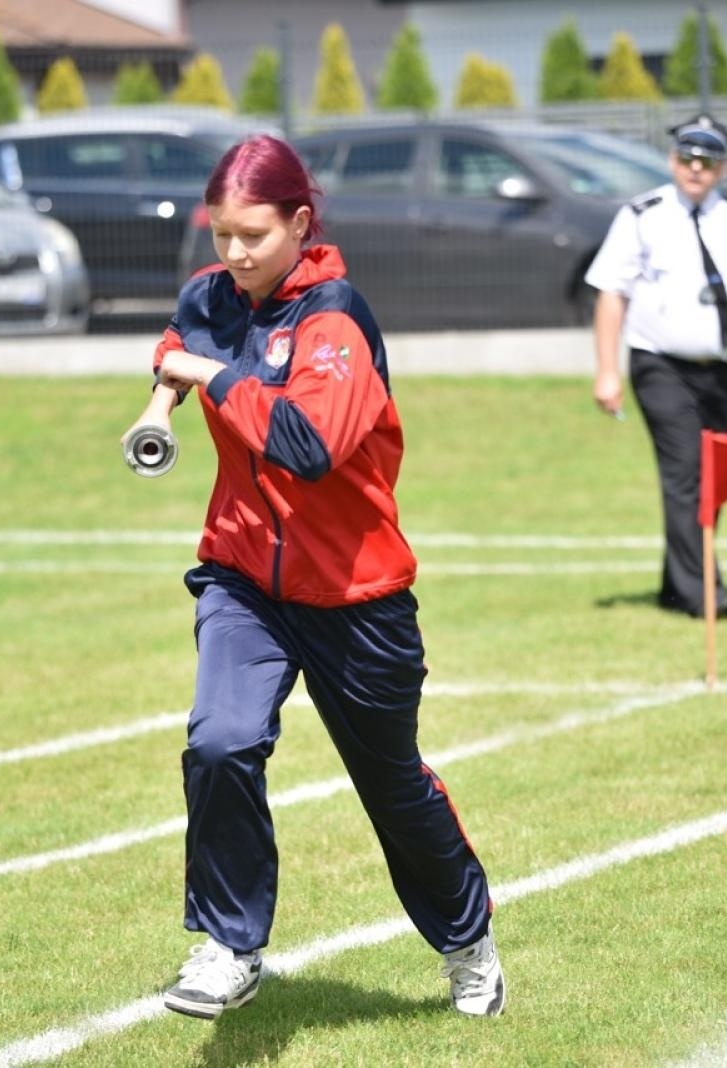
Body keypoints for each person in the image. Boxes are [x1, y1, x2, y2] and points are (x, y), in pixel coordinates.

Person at [119, 135, 503, 1021]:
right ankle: (229, 947)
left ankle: (468, 942)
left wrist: (208, 377)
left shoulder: (337, 323)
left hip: (355, 596)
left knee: (392, 785)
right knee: (219, 741)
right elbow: (179, 342)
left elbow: (311, 446)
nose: (235, 255)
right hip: (244, 578)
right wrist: (161, 401)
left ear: (300, 223)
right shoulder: (213, 296)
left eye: (252, 235)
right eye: (220, 235)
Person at [585, 113, 727, 619]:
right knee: (685, 472)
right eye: (688, 158)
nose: (696, 169)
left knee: (713, 476)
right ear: (673, 161)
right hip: (660, 364)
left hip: (722, 367)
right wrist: (607, 370)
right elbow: (612, 294)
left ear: (721, 167)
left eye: (707, 161)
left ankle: (680, 582)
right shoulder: (641, 215)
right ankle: (700, 593)